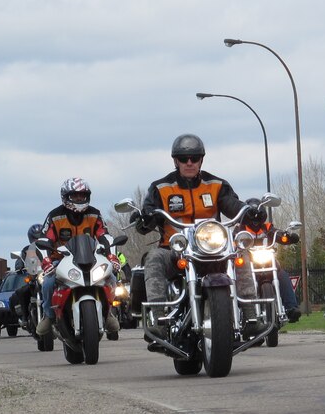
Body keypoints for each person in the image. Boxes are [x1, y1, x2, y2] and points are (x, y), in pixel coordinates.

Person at [132, 134, 266, 339]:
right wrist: (145, 218)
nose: (189, 163)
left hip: (213, 249)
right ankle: (158, 319)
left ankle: (250, 317)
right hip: (175, 251)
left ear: (201, 160)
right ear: (175, 161)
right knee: (153, 258)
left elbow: (232, 204)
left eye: (194, 158)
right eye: (184, 159)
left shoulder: (216, 185)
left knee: (241, 254)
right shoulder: (161, 188)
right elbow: (149, 212)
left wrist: (250, 211)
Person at [36, 178, 122, 336]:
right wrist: (47, 261)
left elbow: (105, 236)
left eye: (82, 196)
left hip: (90, 258)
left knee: (112, 278)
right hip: (61, 259)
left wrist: (112, 256)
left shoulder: (95, 214)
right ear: (66, 197)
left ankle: (108, 313)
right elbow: (44, 239)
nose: (79, 199)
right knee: (47, 282)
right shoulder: (54, 216)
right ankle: (48, 316)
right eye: (75, 196)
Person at [240, 199, 302, 323]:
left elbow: (277, 234)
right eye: (252, 218)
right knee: (237, 279)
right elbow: (234, 241)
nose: (255, 221)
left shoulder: (267, 228)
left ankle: (291, 308)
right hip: (248, 265)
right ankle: (239, 313)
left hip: (267, 261)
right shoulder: (240, 230)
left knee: (282, 275)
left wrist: (287, 237)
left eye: (258, 218)